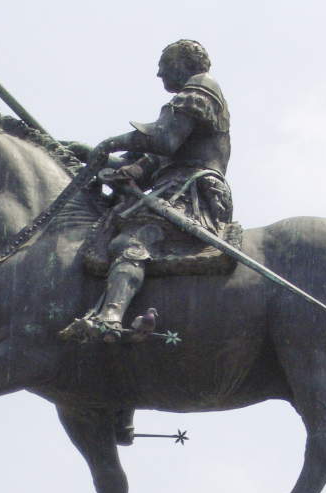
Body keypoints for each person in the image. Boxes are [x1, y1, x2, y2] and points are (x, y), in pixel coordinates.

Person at [61, 39, 232, 343]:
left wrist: (109, 142)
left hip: (190, 190)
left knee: (134, 238)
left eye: (164, 66)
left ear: (184, 63)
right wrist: (93, 156)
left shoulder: (200, 88)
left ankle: (109, 318)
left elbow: (164, 140)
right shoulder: (188, 108)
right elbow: (150, 162)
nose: (159, 74)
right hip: (174, 183)